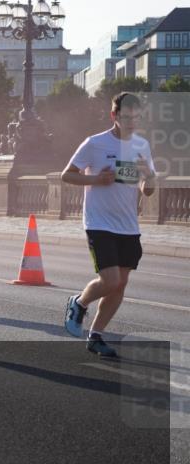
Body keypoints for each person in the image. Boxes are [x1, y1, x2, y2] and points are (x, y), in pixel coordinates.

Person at [62, 92, 156, 358]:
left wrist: (149, 176)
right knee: (110, 279)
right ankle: (79, 302)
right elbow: (67, 175)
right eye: (125, 117)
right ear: (114, 115)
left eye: (135, 118)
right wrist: (96, 180)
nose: (131, 123)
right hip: (99, 222)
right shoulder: (95, 143)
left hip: (128, 225)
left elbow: (148, 190)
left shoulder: (142, 146)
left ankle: (96, 336)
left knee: (120, 284)